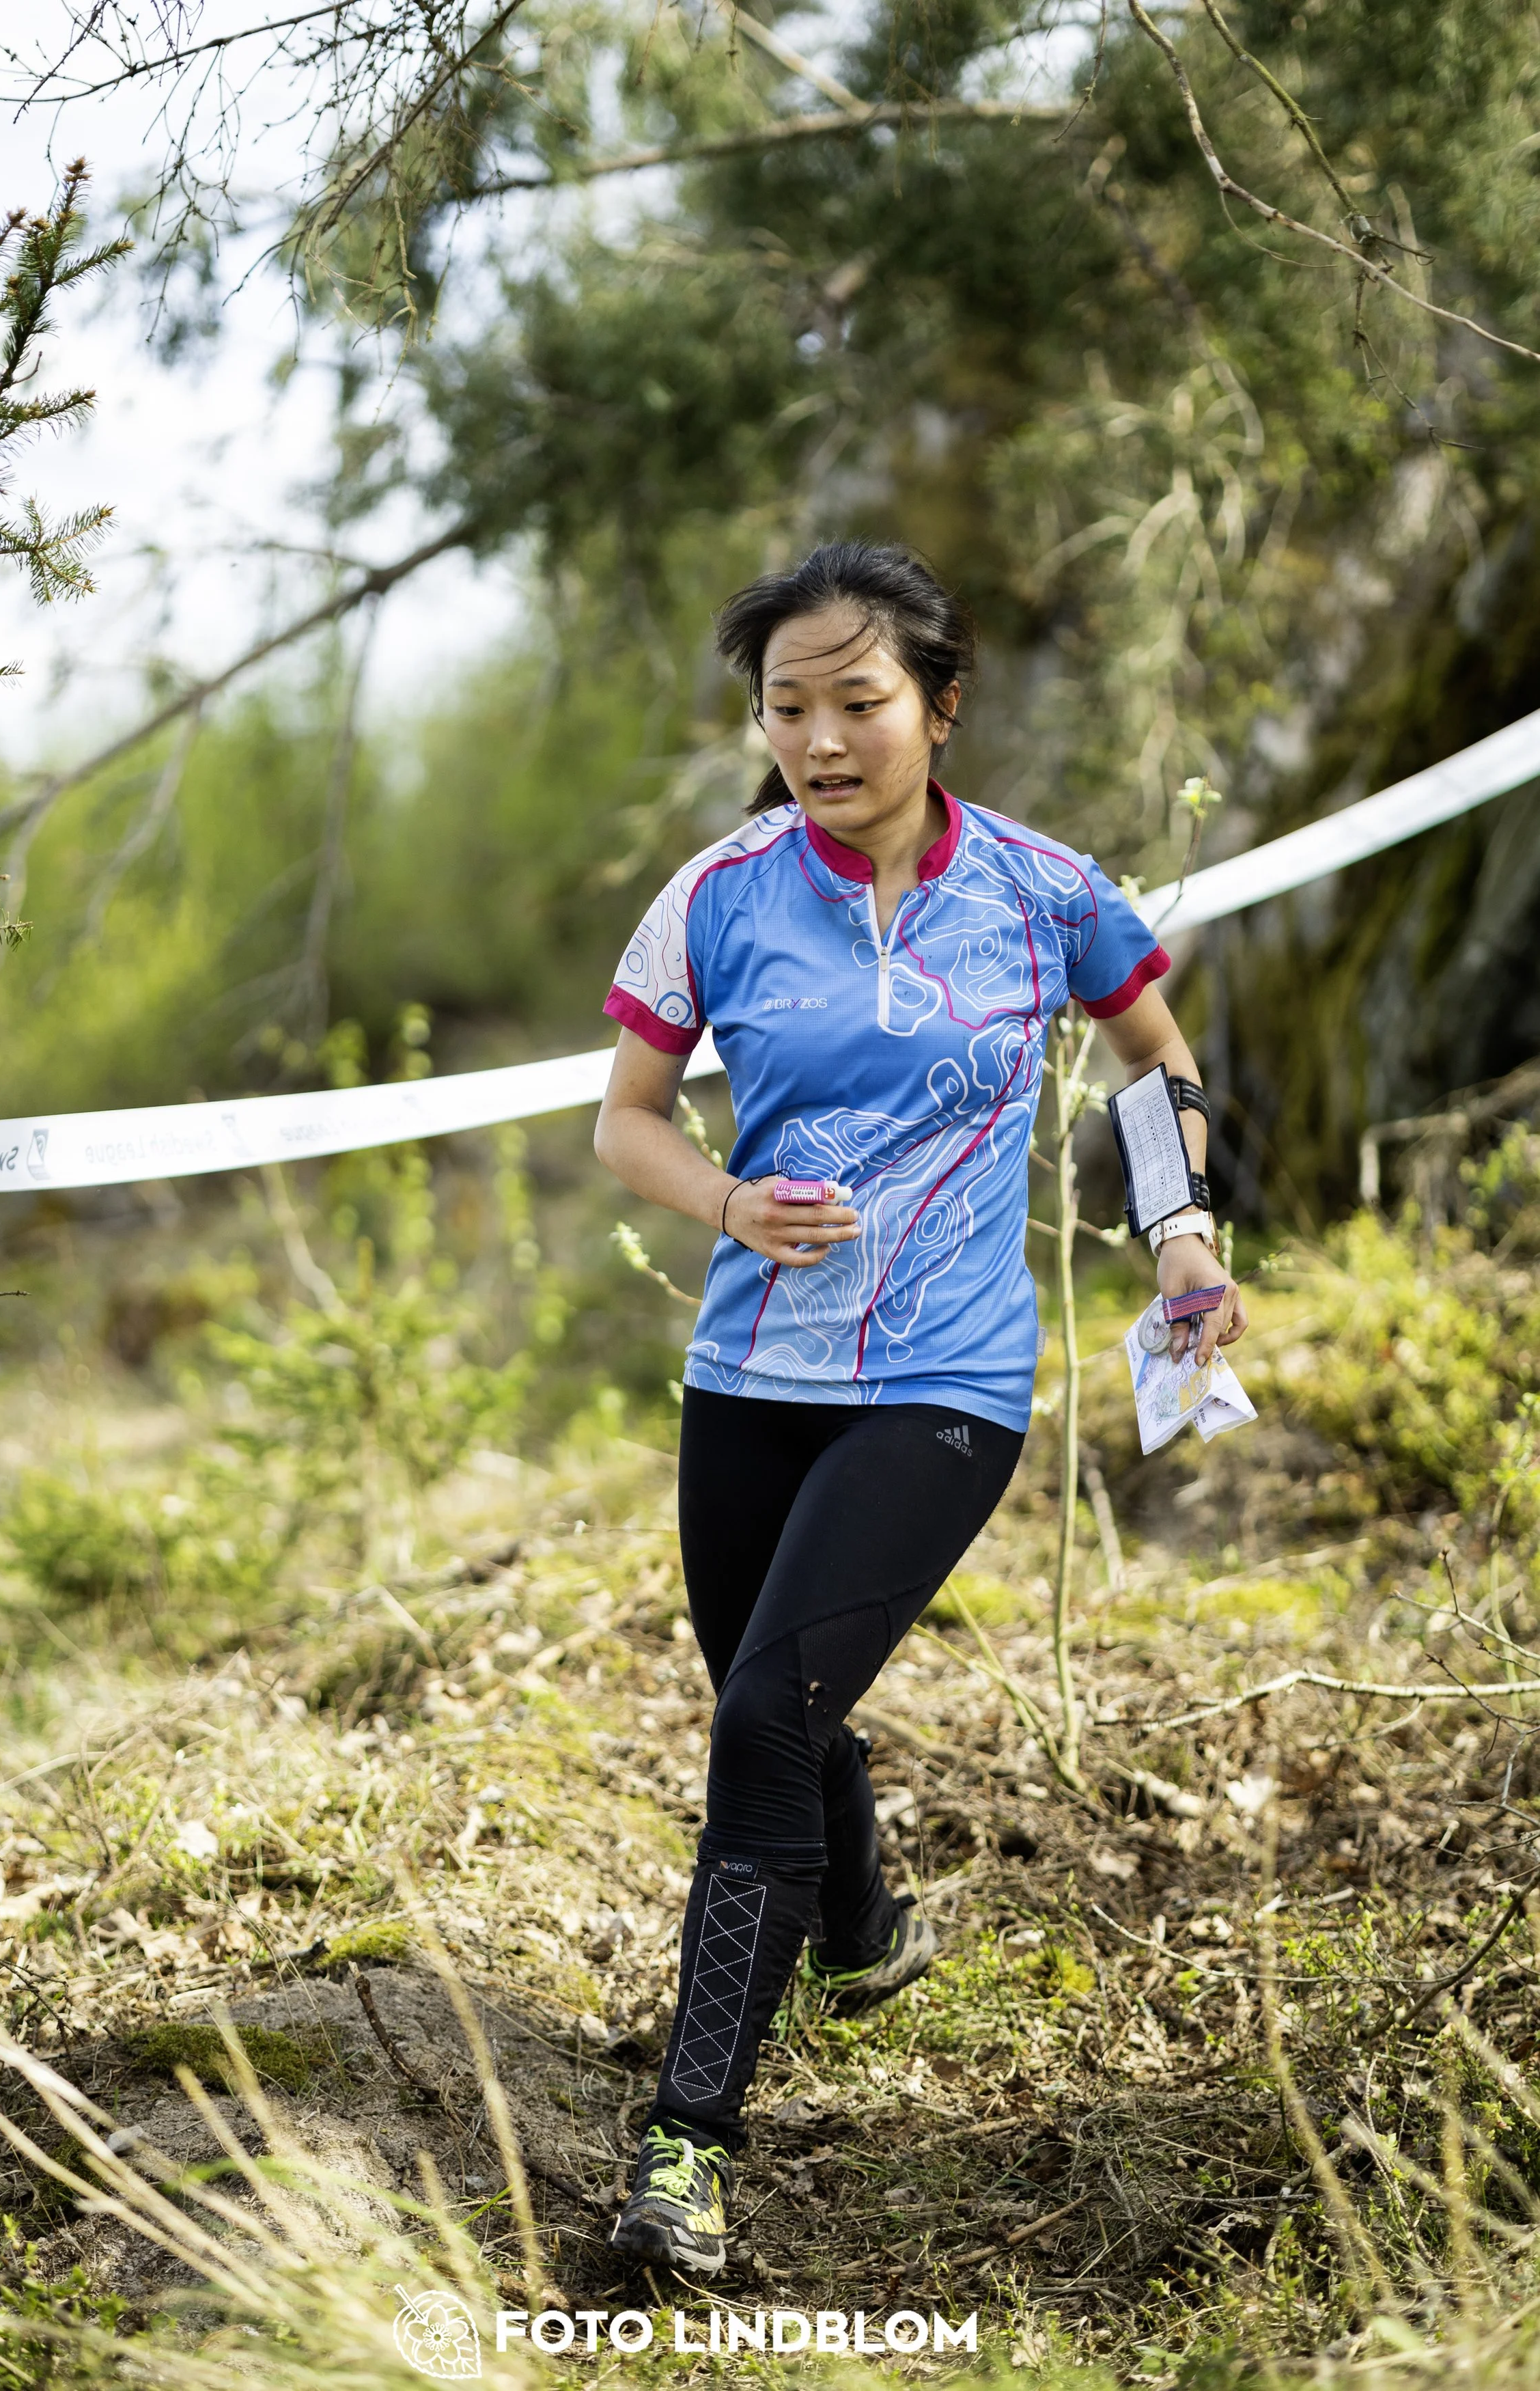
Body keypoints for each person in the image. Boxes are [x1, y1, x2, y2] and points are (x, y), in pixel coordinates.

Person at [592, 540, 1247, 2276]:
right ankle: (864, 1924)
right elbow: (626, 1125)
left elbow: (1153, 1061)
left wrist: (1179, 1237)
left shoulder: (1044, 890)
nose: (819, 737)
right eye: (784, 705)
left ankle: (685, 2152)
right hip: (747, 1375)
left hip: (945, 1382)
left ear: (939, 709)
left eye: (856, 701)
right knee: (772, 1695)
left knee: (754, 1726)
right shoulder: (716, 894)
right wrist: (727, 1203)